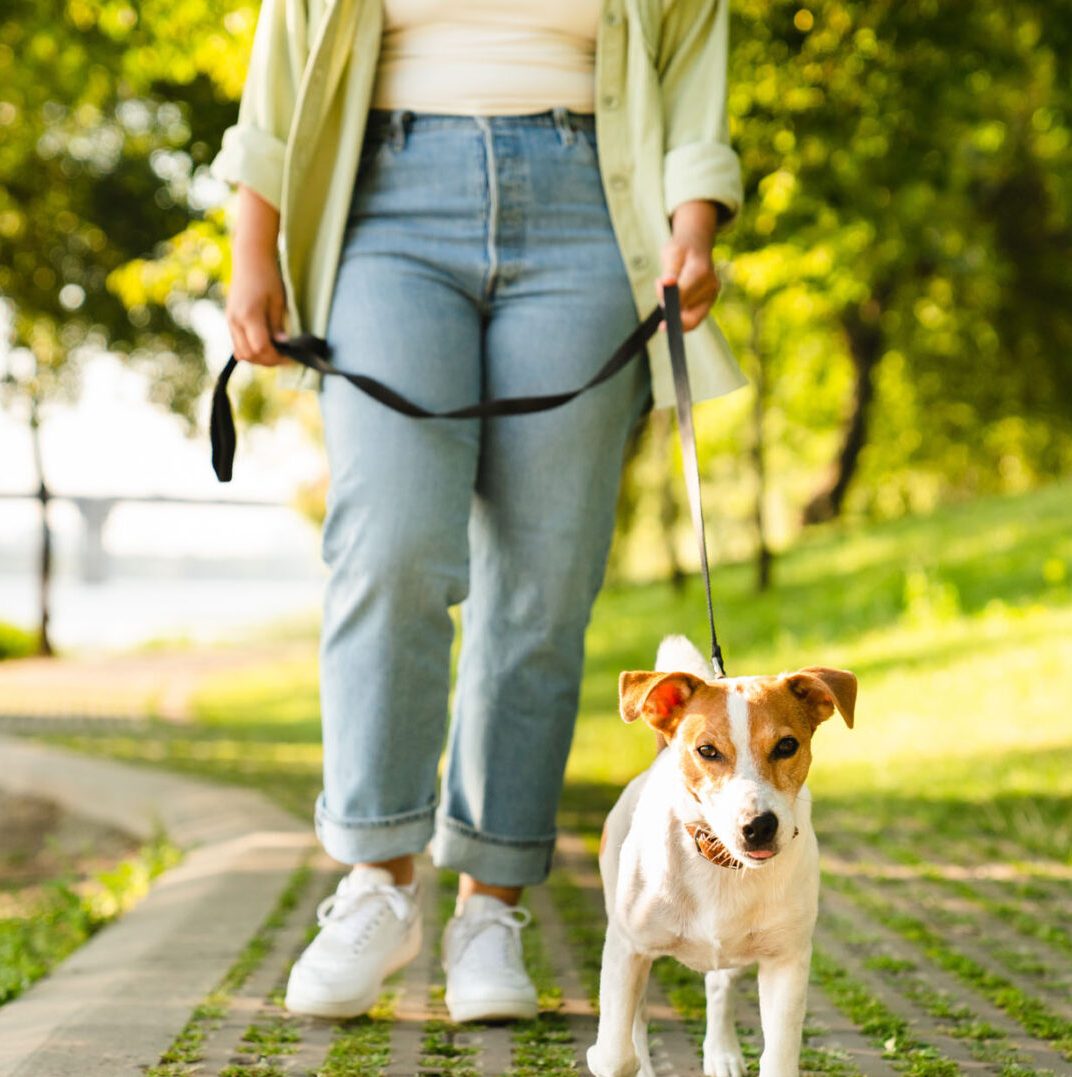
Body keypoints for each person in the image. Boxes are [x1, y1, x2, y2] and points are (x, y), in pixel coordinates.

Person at [213, 0, 745, 1022]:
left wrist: (691, 233)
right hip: (386, 201)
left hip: (592, 202)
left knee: (542, 580)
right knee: (390, 550)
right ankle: (375, 882)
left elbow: (690, 77)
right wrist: (254, 249)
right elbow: (280, 67)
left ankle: (489, 907)